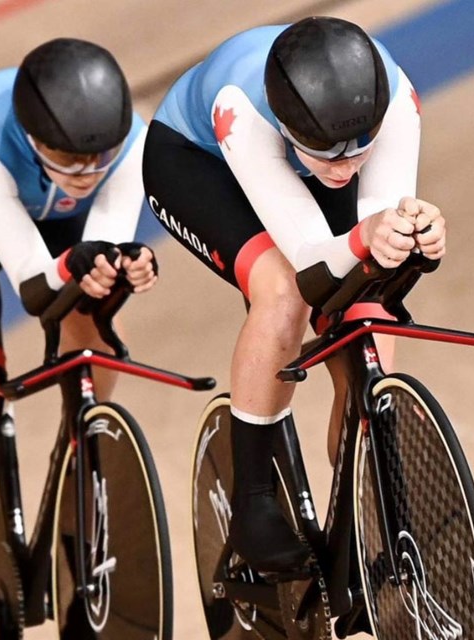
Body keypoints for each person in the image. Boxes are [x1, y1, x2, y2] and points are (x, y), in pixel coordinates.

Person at [142, 16, 446, 577]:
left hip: (298, 163)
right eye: (329, 155)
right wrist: (362, 236)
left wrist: (417, 234)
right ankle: (253, 506)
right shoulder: (245, 109)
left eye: (359, 153)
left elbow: (379, 233)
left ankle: (364, 500)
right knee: (283, 293)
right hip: (198, 162)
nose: (348, 167)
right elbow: (313, 268)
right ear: (288, 125)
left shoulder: (396, 99)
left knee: (367, 322)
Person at [0, 38, 158, 637]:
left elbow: (102, 257)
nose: (87, 174)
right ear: (34, 139)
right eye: (69, 158)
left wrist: (122, 262)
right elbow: (36, 288)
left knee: (90, 332)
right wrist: (77, 265)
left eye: (100, 160)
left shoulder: (133, 140)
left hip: (50, 213)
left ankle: (79, 461)